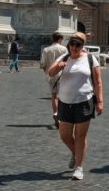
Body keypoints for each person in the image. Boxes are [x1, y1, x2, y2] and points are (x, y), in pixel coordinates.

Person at [46, 31, 103, 180]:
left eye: (77, 45)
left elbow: (98, 82)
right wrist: (58, 66)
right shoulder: (64, 57)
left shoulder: (90, 59)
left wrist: (100, 101)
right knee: (64, 135)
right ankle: (76, 153)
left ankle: (79, 167)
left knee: (80, 135)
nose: (74, 47)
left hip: (84, 101)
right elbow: (50, 73)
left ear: (82, 46)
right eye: (72, 44)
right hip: (65, 102)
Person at [41, 32, 69, 126]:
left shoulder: (46, 50)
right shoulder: (64, 49)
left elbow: (43, 64)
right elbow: (67, 62)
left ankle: (55, 113)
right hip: (62, 75)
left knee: (54, 96)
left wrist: (47, 74)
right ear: (60, 39)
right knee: (61, 96)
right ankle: (60, 114)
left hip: (51, 75)